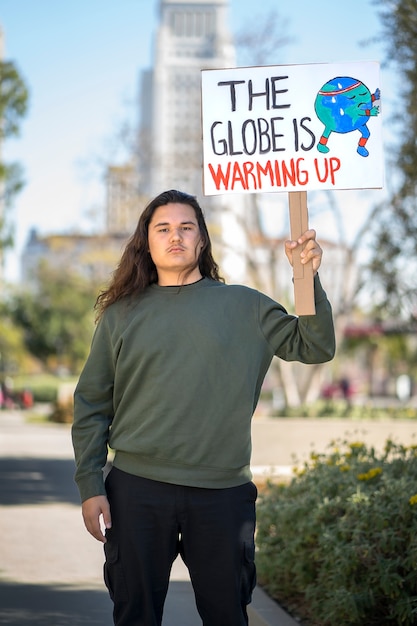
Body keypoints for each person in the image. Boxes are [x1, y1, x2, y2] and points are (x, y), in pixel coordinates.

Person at [72, 189, 335, 626]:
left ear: (202, 240)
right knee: (134, 615)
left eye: (186, 227)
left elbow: (316, 346)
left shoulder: (245, 306)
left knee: (227, 615)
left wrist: (306, 277)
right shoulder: (121, 314)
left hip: (222, 495)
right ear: (148, 241)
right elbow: (92, 403)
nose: (175, 236)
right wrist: (90, 484)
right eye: (164, 228)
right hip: (136, 491)